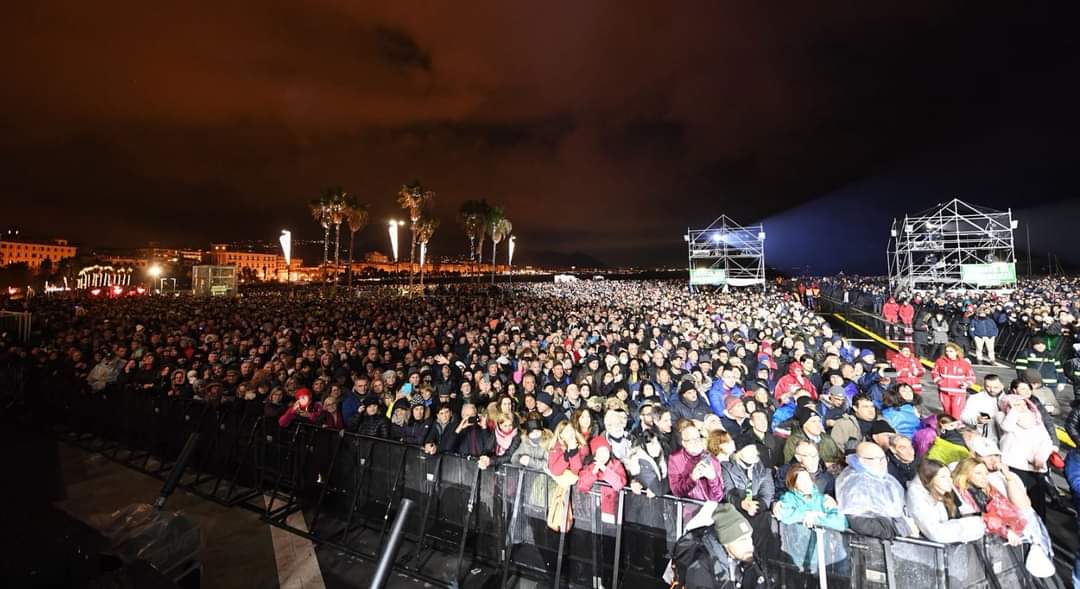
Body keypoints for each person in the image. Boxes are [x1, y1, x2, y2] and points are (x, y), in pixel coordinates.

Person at [774, 464, 847, 574]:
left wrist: (816, 517)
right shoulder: (789, 498)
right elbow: (783, 515)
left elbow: (841, 523)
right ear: (794, 485)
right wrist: (805, 513)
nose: (806, 483)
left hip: (821, 557)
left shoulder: (822, 499)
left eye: (807, 479)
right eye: (801, 480)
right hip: (795, 556)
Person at [836, 442, 918, 539]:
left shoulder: (885, 478)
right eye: (877, 459)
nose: (883, 463)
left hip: (893, 540)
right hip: (871, 544)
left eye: (884, 458)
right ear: (862, 461)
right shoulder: (853, 484)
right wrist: (898, 528)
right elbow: (861, 524)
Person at [671, 503, 763, 589]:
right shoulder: (700, 566)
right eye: (742, 540)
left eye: (749, 537)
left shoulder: (746, 557)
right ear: (726, 543)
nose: (749, 545)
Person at [997, 391, 1055, 518]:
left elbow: (1046, 441)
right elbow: (1007, 427)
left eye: (1023, 404)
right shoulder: (1003, 416)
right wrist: (1014, 411)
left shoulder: (1036, 419)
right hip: (1015, 466)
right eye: (1016, 404)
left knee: (1038, 503)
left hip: (1035, 467)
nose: (1021, 407)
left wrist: (1041, 457)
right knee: (1018, 503)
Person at [906, 459, 986, 544]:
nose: (949, 481)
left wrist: (975, 524)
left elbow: (966, 511)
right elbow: (935, 533)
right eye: (943, 477)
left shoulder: (946, 489)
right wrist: (966, 526)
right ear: (931, 480)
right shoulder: (918, 498)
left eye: (950, 476)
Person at [951, 458, 1024, 546]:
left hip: (995, 539)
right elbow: (976, 517)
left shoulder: (988, 489)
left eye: (986, 474)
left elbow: (1008, 511)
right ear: (965, 474)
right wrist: (1005, 531)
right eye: (978, 473)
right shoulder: (958, 493)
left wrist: (1010, 527)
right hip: (972, 542)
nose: (984, 477)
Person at [668, 422, 724, 502]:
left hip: (711, 508)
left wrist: (713, 478)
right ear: (684, 443)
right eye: (691, 440)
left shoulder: (712, 459)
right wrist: (692, 478)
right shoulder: (675, 459)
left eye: (698, 438)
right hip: (690, 508)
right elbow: (676, 492)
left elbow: (718, 496)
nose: (696, 443)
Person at [931, 343, 975, 419]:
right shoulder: (940, 361)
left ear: (957, 352)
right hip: (944, 391)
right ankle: (947, 426)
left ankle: (955, 427)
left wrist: (966, 384)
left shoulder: (964, 363)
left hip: (958, 392)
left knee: (956, 411)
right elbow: (934, 372)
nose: (948, 353)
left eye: (951, 351)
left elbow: (971, 376)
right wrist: (939, 381)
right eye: (947, 351)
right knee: (947, 410)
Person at [960, 374, 1004, 444]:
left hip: (1006, 443)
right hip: (985, 441)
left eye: (996, 387)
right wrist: (977, 419)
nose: (992, 390)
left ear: (1002, 386)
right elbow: (964, 416)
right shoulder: (975, 398)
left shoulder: (1009, 399)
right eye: (988, 387)